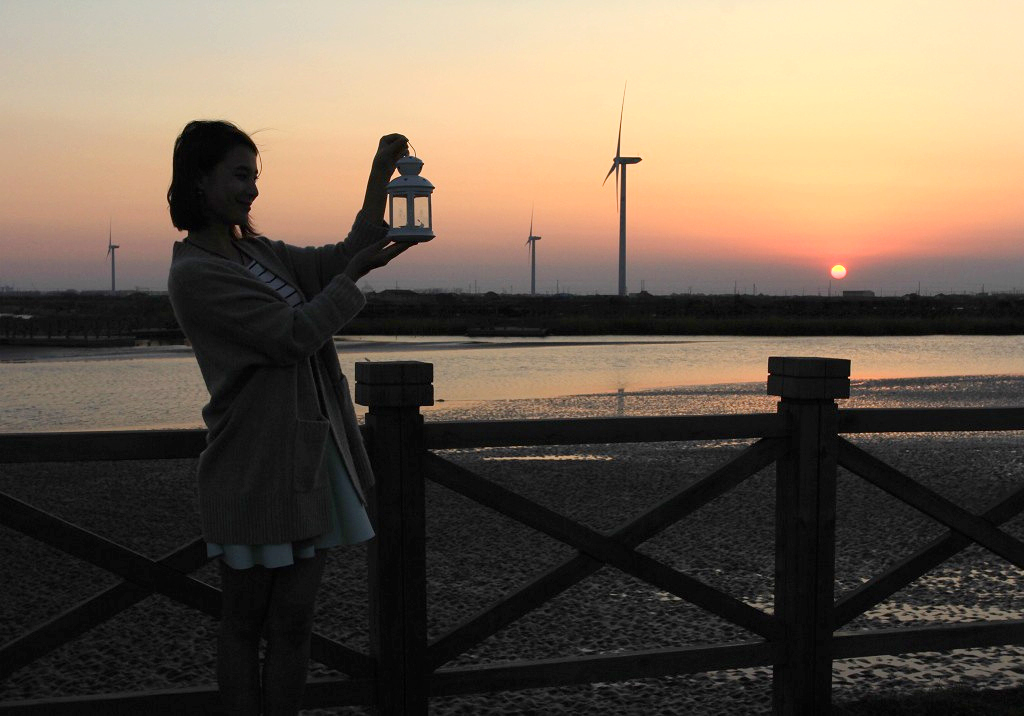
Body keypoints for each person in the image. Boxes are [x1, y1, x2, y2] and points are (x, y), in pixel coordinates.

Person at [166, 120, 412, 715]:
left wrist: (380, 177)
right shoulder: (195, 273)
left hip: (311, 455)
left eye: (256, 176)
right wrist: (352, 279)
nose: (252, 189)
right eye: (240, 174)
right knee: (245, 620)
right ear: (199, 178)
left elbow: (335, 261)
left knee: (297, 619)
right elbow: (292, 334)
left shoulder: (258, 252)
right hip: (251, 462)